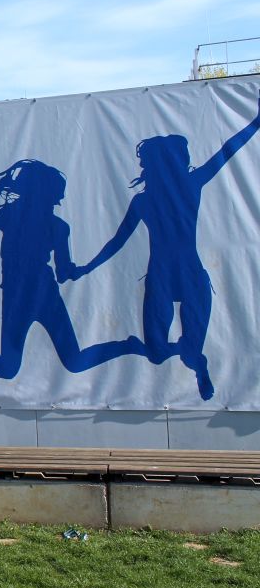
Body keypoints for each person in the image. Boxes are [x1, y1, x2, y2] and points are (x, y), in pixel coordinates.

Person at [72, 98, 260, 400]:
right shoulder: (159, 195)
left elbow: (227, 151)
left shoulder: (183, 187)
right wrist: (86, 268)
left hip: (184, 275)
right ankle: (173, 351)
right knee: (157, 354)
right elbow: (117, 242)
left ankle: (196, 360)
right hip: (166, 275)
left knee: (187, 352)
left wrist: (256, 122)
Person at [0, 159, 133, 385]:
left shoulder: (17, 216)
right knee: (67, 362)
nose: (60, 199)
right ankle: (127, 346)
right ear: (48, 194)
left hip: (27, 296)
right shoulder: (49, 224)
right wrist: (76, 271)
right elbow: (63, 273)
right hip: (35, 297)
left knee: (13, 367)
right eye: (58, 194)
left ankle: (127, 346)